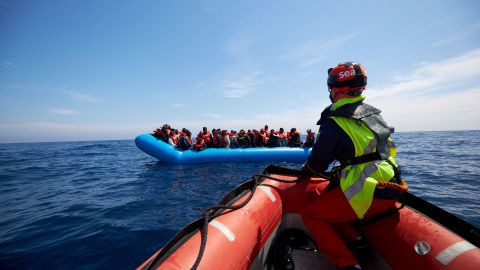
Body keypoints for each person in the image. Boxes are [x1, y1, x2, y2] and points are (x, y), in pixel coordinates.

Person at [300, 62, 403, 270]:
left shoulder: (335, 122)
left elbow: (317, 165)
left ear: (335, 90)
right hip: (391, 183)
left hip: (371, 191)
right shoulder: (373, 115)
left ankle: (347, 265)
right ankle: (357, 241)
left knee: (311, 214)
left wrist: (306, 170)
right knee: (327, 195)